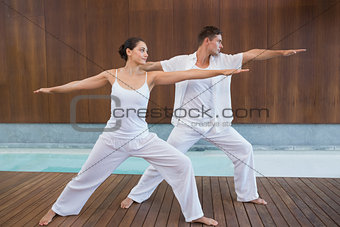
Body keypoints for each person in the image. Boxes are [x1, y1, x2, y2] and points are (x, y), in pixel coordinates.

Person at [35, 37, 249, 226]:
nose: (146, 54)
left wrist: (222, 71)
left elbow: (187, 74)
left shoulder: (151, 77)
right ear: (129, 51)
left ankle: (194, 214)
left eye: (147, 51)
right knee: (86, 176)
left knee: (183, 163)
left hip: (142, 138)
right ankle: (58, 209)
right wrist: (51, 89)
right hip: (113, 138)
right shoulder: (112, 74)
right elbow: (80, 84)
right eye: (142, 50)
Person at [121, 26, 306, 208]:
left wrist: (281, 52)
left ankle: (247, 194)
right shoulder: (182, 61)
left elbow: (252, 54)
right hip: (187, 125)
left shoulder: (226, 61)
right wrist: (128, 68)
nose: (221, 45)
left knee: (244, 150)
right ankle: (136, 195)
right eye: (218, 41)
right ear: (207, 41)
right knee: (166, 159)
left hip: (217, 124)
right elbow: (152, 66)